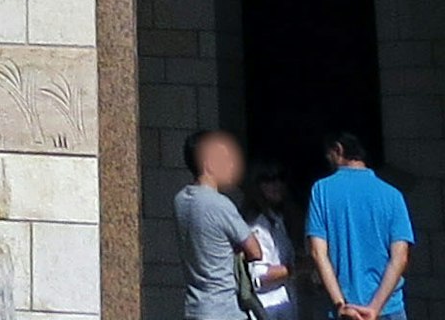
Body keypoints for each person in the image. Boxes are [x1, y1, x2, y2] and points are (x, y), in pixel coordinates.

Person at [301, 133, 413, 320]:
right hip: (389, 309)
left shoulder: (322, 190)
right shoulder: (393, 196)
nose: (328, 161)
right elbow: (400, 258)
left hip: (345, 311)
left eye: (328, 156)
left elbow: (317, 253)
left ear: (338, 150)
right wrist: (375, 308)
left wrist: (340, 305)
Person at [173, 130, 260, 320]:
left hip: (195, 307)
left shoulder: (180, 200)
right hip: (225, 309)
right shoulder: (220, 204)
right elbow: (255, 251)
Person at [240, 167, 302, 320]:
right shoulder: (256, 226)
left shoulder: (279, 220)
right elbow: (258, 277)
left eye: (280, 177)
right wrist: (297, 269)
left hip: (285, 306)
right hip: (267, 309)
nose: (276, 184)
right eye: (268, 179)